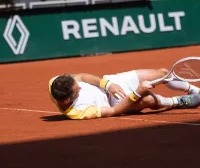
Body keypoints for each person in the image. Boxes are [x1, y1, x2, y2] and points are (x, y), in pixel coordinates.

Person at [48, 68, 200, 120]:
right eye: (77, 89)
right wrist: (136, 93)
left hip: (113, 82)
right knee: (148, 100)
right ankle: (177, 101)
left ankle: (196, 91)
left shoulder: (55, 82)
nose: (80, 87)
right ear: (67, 99)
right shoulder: (79, 112)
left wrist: (108, 84)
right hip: (115, 102)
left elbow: (81, 77)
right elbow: (114, 111)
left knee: (162, 73)